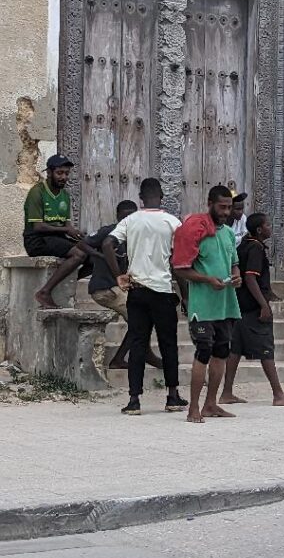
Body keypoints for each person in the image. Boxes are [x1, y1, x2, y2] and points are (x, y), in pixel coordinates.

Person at [104, 178, 187, 415]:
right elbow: (177, 263)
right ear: (161, 196)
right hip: (162, 292)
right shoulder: (172, 222)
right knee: (168, 344)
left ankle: (134, 400)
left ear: (141, 197)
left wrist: (118, 275)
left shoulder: (130, 221)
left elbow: (107, 244)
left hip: (137, 291)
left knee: (138, 344)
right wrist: (185, 295)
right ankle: (172, 396)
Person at [172, 185, 242, 424]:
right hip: (202, 306)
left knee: (222, 352)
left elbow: (234, 262)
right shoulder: (195, 229)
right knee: (203, 352)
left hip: (225, 304)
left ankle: (211, 404)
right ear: (210, 203)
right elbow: (181, 269)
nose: (226, 211)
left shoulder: (228, 233)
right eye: (222, 207)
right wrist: (207, 279)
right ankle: (193, 407)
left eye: (229, 207)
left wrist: (236, 275)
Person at [220, 213, 284, 406]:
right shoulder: (256, 248)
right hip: (253, 308)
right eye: (267, 225)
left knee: (236, 349)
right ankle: (278, 394)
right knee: (266, 349)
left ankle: (226, 392)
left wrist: (269, 293)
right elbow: (250, 277)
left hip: (240, 305)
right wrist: (264, 305)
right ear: (259, 230)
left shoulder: (245, 245)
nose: (270, 228)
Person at [79, 199, 158, 370]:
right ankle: (133, 357)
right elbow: (82, 243)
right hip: (106, 288)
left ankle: (136, 355)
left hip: (120, 287)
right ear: (117, 217)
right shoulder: (108, 232)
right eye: (124, 218)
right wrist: (98, 256)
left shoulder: (138, 236)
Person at [26, 155, 90, 308]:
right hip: (37, 240)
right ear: (49, 172)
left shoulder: (65, 196)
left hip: (57, 239)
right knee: (79, 254)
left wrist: (74, 232)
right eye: (59, 173)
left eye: (66, 173)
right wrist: (66, 229)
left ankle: (66, 280)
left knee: (94, 254)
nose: (64, 177)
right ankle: (45, 292)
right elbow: (38, 227)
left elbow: (66, 224)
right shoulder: (37, 192)